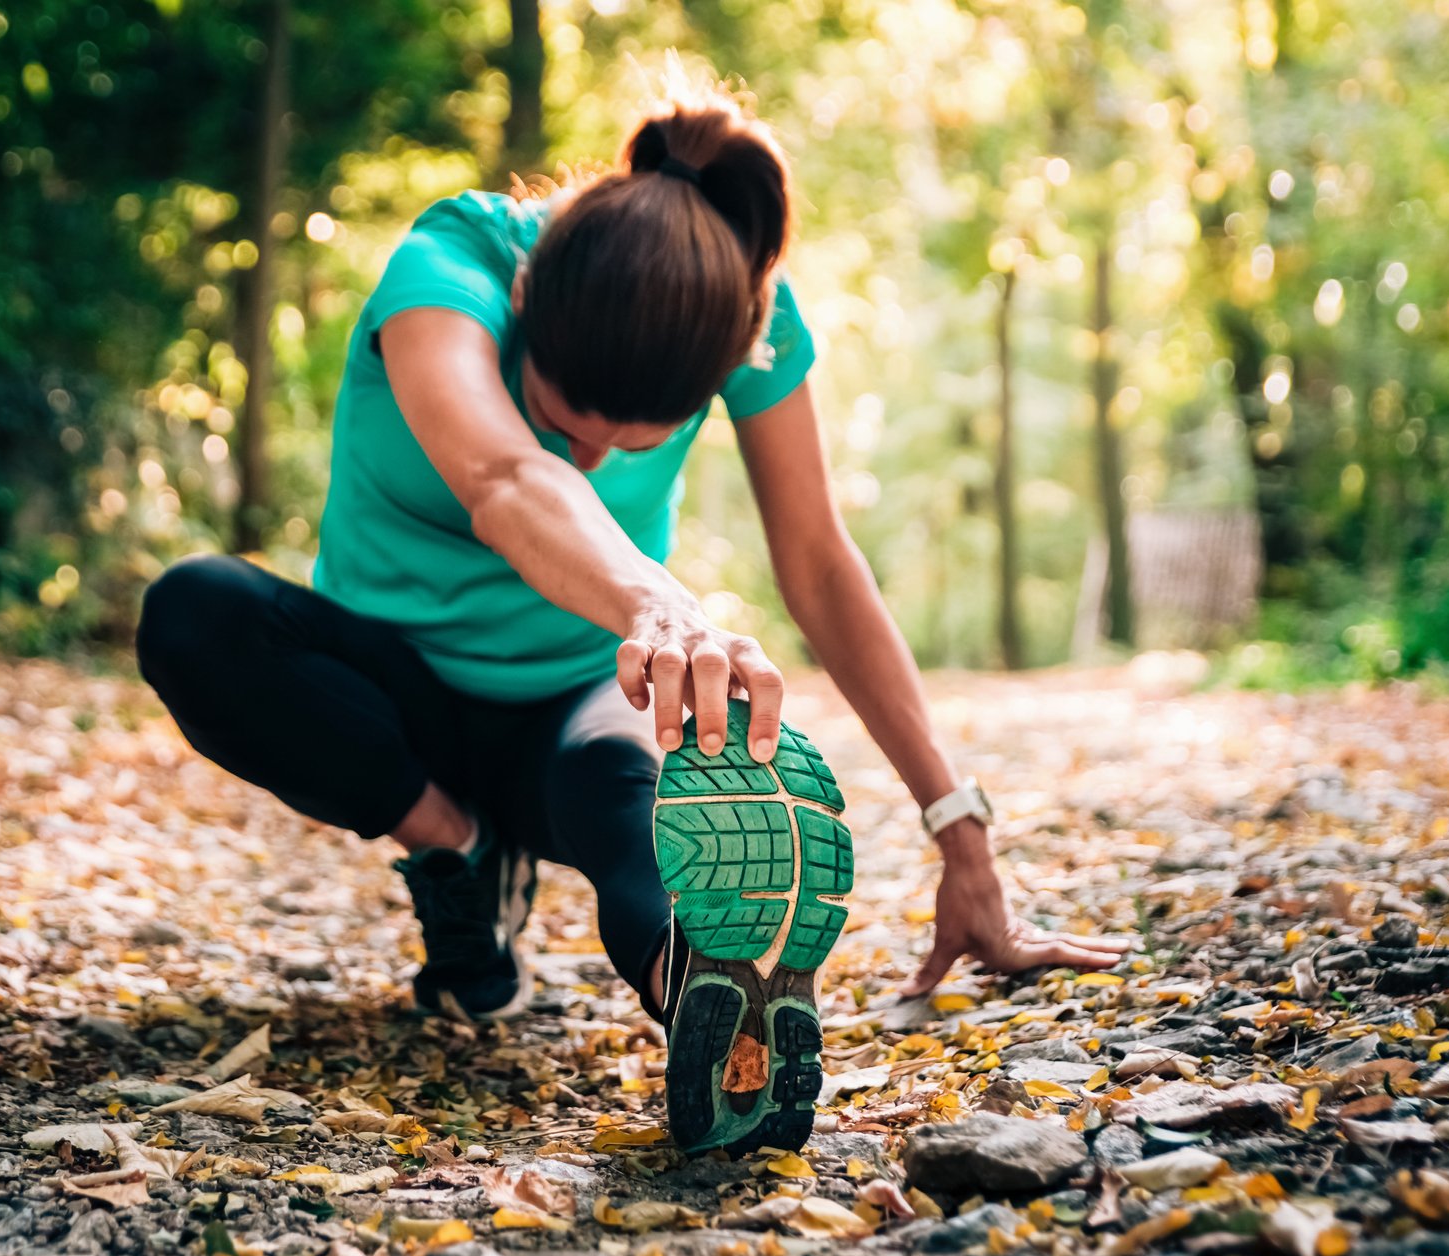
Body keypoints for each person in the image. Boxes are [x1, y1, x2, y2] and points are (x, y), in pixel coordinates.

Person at [136, 79, 1129, 1156]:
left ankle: (710, 1008)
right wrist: (663, 605)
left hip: (570, 702)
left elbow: (821, 565)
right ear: (526, 297)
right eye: (569, 422)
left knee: (645, 797)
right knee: (197, 611)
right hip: (389, 691)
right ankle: (453, 846)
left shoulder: (745, 317)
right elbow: (507, 479)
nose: (592, 462)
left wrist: (960, 829)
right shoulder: (451, 267)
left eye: (633, 444)